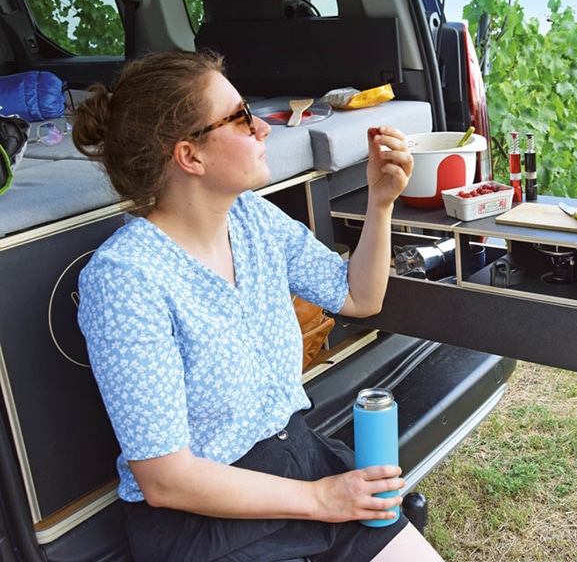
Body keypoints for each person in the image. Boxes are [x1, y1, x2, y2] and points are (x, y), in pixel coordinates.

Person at [73, 49, 443, 562]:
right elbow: (165, 479)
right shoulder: (125, 281)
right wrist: (319, 499)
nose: (265, 129)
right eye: (243, 118)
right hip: (205, 516)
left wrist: (380, 204)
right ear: (190, 156)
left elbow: (359, 296)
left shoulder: (252, 220)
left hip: (298, 461)